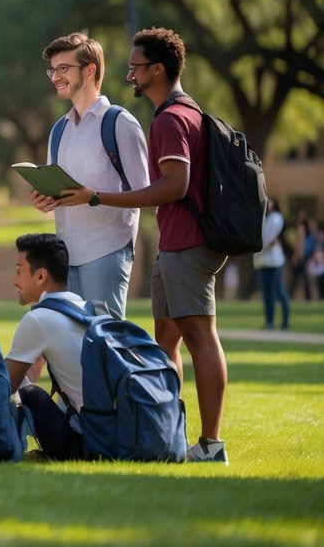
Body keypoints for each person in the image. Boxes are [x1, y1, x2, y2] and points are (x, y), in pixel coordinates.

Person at [58, 27, 230, 464]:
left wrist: (96, 196)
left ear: (157, 69)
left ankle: (211, 445)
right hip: (173, 245)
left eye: (135, 67)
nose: (129, 74)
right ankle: (170, 434)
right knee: (166, 341)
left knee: (199, 336)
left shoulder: (170, 119)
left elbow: (172, 186)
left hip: (187, 242)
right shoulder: (172, 114)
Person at [30, 32, 149, 317]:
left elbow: (145, 194)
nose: (56, 77)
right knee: (69, 346)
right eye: (53, 70)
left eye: (64, 68)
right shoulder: (59, 130)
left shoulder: (120, 123)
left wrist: (92, 197)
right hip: (66, 255)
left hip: (107, 251)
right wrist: (45, 197)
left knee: (105, 342)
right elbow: (60, 189)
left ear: (90, 69)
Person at [3, 233, 87, 460]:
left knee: (30, 393)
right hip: (117, 432)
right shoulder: (88, 308)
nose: (14, 281)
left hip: (91, 443)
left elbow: (2, 386)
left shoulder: (39, 318)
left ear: (41, 276)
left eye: (19, 270)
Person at [254, 198, 290, 330]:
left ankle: (285, 322)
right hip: (263, 262)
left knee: (279, 291)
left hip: (275, 262)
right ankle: (269, 322)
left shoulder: (276, 218)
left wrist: (263, 246)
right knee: (267, 294)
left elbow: (269, 238)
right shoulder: (262, 219)